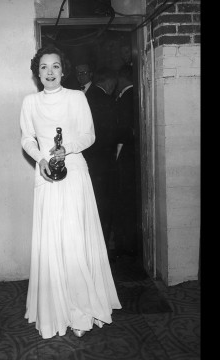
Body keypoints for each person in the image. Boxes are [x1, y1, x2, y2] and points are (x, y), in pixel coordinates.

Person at [19, 46, 122, 339]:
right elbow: (27, 138)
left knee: (75, 239)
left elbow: (89, 134)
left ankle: (80, 311)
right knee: (53, 240)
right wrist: (41, 159)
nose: (49, 72)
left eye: (55, 66)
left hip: (74, 171)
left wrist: (67, 149)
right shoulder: (29, 102)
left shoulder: (77, 98)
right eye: (43, 67)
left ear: (64, 70)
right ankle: (56, 310)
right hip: (46, 176)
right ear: (37, 73)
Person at [81, 67, 119, 254]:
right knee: (104, 202)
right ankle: (102, 244)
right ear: (109, 82)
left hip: (88, 159)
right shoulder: (105, 99)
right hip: (104, 161)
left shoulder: (87, 97)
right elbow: (112, 133)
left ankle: (91, 245)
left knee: (92, 202)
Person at [112, 64, 138, 259]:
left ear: (123, 78)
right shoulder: (131, 96)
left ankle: (126, 243)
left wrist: (116, 154)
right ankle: (126, 242)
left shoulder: (126, 98)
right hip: (130, 156)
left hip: (126, 157)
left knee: (124, 200)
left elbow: (122, 131)